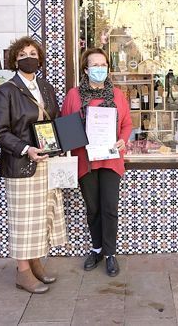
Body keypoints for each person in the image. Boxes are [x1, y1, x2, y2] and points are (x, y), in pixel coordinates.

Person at [0, 36, 67, 294]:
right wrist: (26, 149)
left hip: (47, 162)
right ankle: (23, 272)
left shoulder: (46, 87)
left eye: (33, 53)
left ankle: (35, 263)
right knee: (24, 221)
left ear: (40, 59)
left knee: (41, 217)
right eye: (22, 54)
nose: (28, 58)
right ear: (15, 60)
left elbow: (54, 120)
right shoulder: (6, 90)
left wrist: (62, 144)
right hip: (22, 164)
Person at [61, 47, 132, 277]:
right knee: (93, 209)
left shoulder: (118, 95)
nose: (99, 69)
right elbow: (65, 125)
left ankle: (110, 253)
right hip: (86, 161)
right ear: (85, 69)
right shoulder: (74, 95)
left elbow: (127, 124)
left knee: (110, 208)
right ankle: (97, 249)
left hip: (111, 160)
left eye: (103, 65)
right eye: (95, 65)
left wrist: (122, 140)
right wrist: (78, 137)